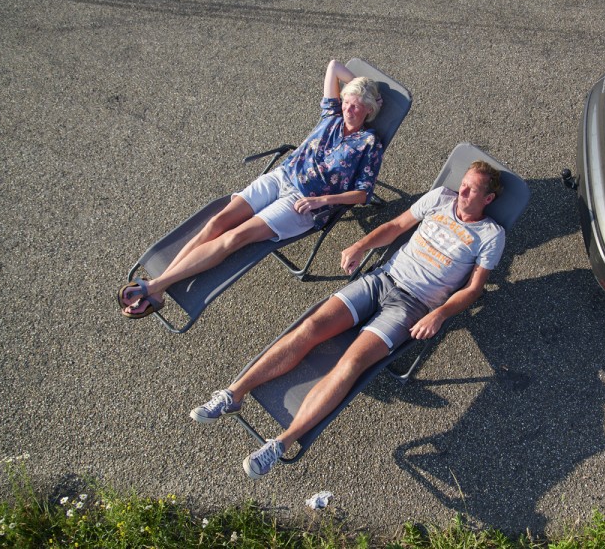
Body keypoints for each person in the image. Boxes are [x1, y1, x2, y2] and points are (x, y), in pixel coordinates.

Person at [190, 161, 505, 479]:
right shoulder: (440, 198)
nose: (461, 191)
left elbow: (474, 288)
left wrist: (439, 313)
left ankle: (280, 445)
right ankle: (233, 394)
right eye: (463, 183)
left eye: (471, 189)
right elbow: (396, 226)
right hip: (382, 278)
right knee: (311, 327)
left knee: (351, 363)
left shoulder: (491, 234)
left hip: (413, 305)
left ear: (488, 199)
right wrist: (360, 244)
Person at [117, 60, 384, 318]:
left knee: (234, 238)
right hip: (280, 177)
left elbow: (362, 194)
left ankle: (153, 287)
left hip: (303, 202)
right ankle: (159, 287)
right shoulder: (331, 115)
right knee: (217, 223)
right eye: (346, 102)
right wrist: (359, 86)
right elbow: (334, 66)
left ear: (368, 112)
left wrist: (322, 200)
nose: (348, 109)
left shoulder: (369, 143)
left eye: (356, 107)